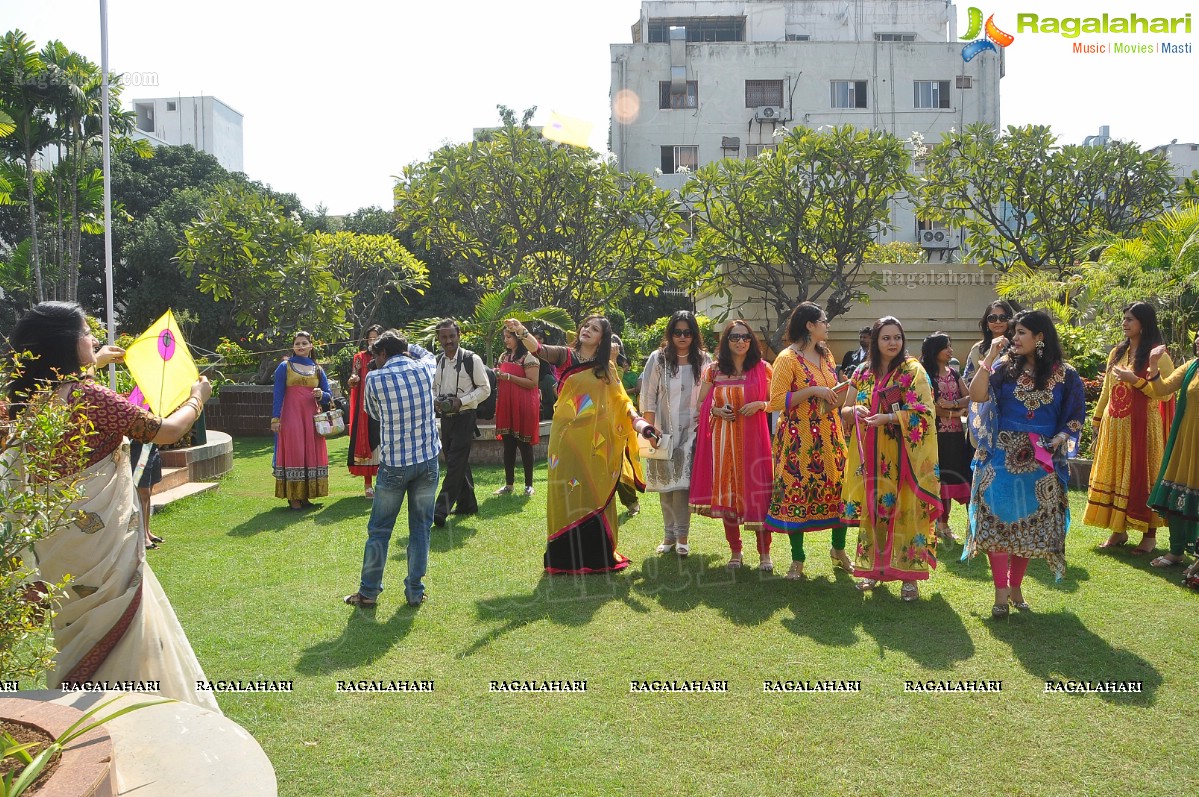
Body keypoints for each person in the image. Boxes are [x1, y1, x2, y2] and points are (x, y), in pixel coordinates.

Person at [5, 301, 219, 710]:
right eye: (88, 333)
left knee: (75, 624)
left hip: (57, 545)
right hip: (106, 551)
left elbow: (64, 395)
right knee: (123, 621)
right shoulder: (91, 398)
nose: (94, 338)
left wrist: (95, 364)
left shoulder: (27, 402)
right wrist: (197, 397)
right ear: (68, 344)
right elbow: (167, 432)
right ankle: (133, 709)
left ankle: (79, 708)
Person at [504, 316, 658, 574]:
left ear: (603, 338)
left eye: (594, 329)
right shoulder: (566, 356)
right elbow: (540, 351)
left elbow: (622, 403)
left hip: (597, 445)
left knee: (595, 492)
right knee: (567, 494)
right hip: (566, 443)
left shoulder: (607, 369)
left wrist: (641, 425)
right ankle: (563, 559)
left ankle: (599, 557)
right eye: (585, 326)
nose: (587, 330)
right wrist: (522, 332)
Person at [965, 310, 1086, 617]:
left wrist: (1059, 438)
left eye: (1021, 333)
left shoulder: (1066, 375)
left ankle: (1016, 586)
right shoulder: (1004, 367)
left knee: (1028, 527)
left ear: (1039, 337)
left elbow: (1074, 416)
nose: (1014, 337)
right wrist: (991, 354)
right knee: (997, 523)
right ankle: (1000, 592)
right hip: (1001, 457)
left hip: (1041, 460)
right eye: (1015, 332)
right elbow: (977, 394)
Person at [839, 316, 942, 601]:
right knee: (875, 511)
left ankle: (909, 577)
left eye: (897, 337)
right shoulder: (861, 372)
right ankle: (874, 569)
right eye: (886, 338)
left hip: (905, 454)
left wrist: (890, 417)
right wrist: (855, 412)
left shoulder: (913, 371)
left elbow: (925, 413)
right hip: (870, 452)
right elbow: (845, 409)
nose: (892, 342)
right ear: (875, 341)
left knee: (907, 511)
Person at [344, 331, 440, 608]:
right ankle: (414, 591)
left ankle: (369, 591)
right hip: (427, 461)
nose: (373, 361)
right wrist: (407, 345)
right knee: (421, 528)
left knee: (379, 530)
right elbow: (428, 354)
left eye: (375, 355)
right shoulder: (424, 368)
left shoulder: (375, 378)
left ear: (384, 354)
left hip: (394, 464)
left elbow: (372, 412)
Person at [765, 303, 851, 579]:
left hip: (831, 435)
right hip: (797, 438)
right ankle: (797, 560)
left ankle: (838, 550)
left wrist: (838, 390)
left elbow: (830, 392)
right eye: (824, 321)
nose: (828, 325)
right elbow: (775, 401)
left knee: (840, 490)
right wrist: (813, 390)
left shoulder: (826, 355)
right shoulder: (787, 359)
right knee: (797, 493)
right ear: (810, 325)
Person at [1086, 302, 1175, 554]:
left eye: (1131, 319)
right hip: (1115, 426)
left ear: (1144, 324)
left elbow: (1165, 395)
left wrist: (1135, 381)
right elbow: (1107, 390)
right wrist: (1097, 419)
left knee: (1143, 476)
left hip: (1144, 427)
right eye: (1124, 319)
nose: (1125, 323)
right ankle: (1118, 530)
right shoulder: (1117, 352)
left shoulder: (1159, 356)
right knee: (1116, 475)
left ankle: (1150, 535)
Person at [691, 320, 775, 571]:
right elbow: (700, 404)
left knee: (757, 493)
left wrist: (761, 405)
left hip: (755, 441)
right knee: (727, 495)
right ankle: (735, 551)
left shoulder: (764, 369)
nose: (741, 342)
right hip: (723, 441)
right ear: (726, 342)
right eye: (735, 337)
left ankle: (764, 554)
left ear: (752, 341)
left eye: (746, 337)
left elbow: (775, 402)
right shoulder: (713, 371)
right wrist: (716, 410)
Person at [1112, 334, 1199, 571]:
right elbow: (1163, 389)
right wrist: (1152, 364)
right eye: (1198, 337)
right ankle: (1176, 552)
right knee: (1178, 496)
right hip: (1186, 443)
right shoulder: (1192, 366)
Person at [640, 311, 711, 556]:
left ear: (694, 335)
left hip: (693, 430)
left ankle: (682, 536)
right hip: (662, 430)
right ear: (670, 333)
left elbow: (711, 394)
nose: (682, 337)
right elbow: (648, 395)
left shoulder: (703, 360)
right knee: (665, 485)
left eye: (687, 333)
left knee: (682, 484)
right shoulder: (658, 359)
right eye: (677, 332)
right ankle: (668, 535)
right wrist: (649, 429)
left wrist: (706, 424)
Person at [432, 319, 491, 527]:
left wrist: (461, 401)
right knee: (457, 462)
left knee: (455, 463)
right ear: (438, 338)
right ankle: (467, 504)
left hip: (465, 416)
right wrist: (437, 400)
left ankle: (440, 510)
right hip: (446, 419)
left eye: (451, 336)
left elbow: (485, 389)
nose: (448, 341)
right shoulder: (438, 360)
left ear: (459, 335)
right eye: (444, 337)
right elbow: (434, 388)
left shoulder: (470, 359)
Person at [920, 332, 973, 544]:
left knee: (952, 479)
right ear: (935, 351)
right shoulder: (925, 376)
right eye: (946, 347)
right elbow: (930, 409)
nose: (950, 350)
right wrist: (955, 413)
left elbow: (970, 397)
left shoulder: (953, 374)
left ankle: (945, 525)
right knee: (939, 480)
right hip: (935, 436)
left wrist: (954, 404)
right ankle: (940, 526)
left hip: (956, 436)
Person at [271, 330, 331, 510]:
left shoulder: (317, 369)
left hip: (312, 417)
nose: (301, 346)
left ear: (311, 346)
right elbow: (278, 393)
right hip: (291, 415)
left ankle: (306, 495)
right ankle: (293, 496)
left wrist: (321, 394)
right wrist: (276, 418)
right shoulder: (285, 367)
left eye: (304, 343)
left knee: (310, 452)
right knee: (295, 451)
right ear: (293, 347)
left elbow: (328, 395)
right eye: (297, 344)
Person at [493, 327, 541, 497]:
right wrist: (496, 374)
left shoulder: (529, 358)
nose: (506, 340)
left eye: (509, 337)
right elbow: (502, 376)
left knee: (524, 444)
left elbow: (532, 383)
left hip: (524, 404)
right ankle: (509, 484)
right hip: (507, 402)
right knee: (508, 445)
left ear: (519, 338)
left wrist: (508, 377)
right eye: (504, 336)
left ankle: (529, 485)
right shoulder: (503, 357)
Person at [346, 324, 384, 498]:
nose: (372, 340)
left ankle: (384, 484)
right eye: (370, 337)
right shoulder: (360, 357)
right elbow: (354, 377)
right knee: (367, 443)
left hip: (383, 407)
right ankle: (368, 486)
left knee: (384, 445)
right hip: (365, 410)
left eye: (376, 337)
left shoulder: (386, 357)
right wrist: (353, 379)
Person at [610, 334, 642, 516]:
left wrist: (613, 360)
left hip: (617, 423)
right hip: (595, 422)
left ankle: (632, 502)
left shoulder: (617, 367)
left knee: (619, 465)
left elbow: (616, 388)